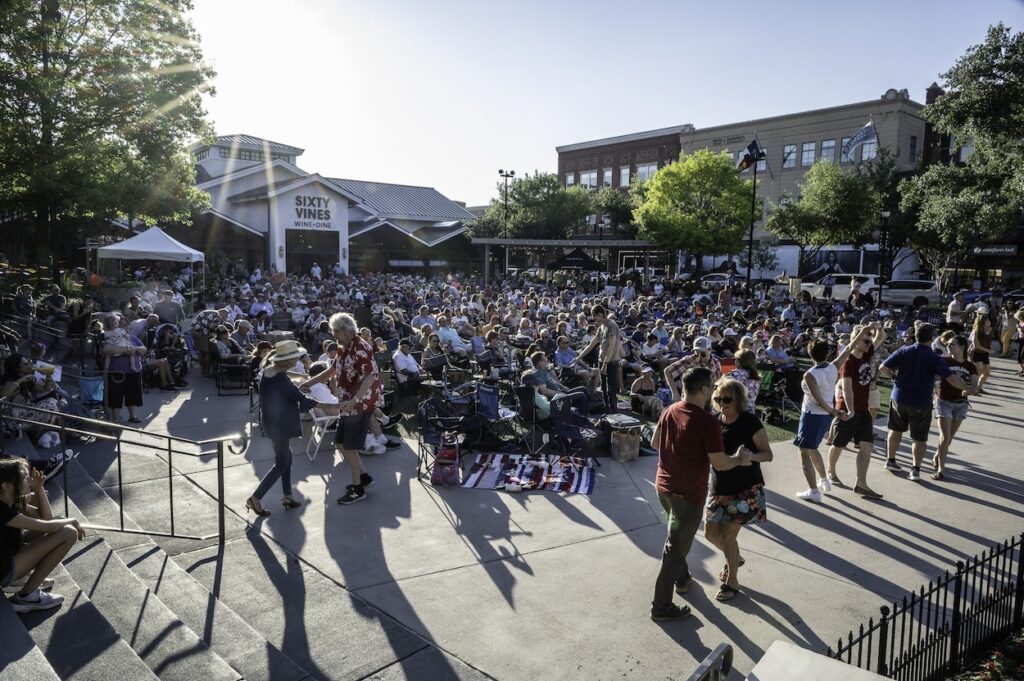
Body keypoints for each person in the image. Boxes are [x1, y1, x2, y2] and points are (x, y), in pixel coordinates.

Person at [649, 367, 751, 621]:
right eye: (712, 387)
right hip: (686, 495)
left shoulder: (669, 410)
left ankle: (683, 579)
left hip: (663, 488)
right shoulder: (707, 421)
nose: (714, 392)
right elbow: (720, 463)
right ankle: (661, 606)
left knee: (677, 539)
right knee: (674, 550)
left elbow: (654, 443)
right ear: (704, 389)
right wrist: (739, 459)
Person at [301, 313, 381, 505]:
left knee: (348, 445)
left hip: (359, 403)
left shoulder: (360, 347)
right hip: (348, 402)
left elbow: (370, 376)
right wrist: (310, 382)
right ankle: (363, 477)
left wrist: (355, 399)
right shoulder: (343, 347)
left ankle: (357, 488)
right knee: (342, 442)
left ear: (346, 330)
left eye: (336, 331)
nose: (334, 334)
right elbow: (332, 370)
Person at [704, 378, 773, 602]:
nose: (721, 404)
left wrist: (750, 457)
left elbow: (768, 454)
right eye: (717, 399)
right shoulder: (715, 421)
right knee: (710, 534)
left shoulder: (749, 422)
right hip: (718, 487)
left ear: (738, 400)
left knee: (727, 536)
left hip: (744, 490)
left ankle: (732, 581)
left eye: (726, 399)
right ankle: (734, 557)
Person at [879, 323, 967, 482]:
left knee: (895, 430)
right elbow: (951, 378)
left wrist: (894, 377)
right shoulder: (934, 357)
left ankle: (890, 460)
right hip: (920, 401)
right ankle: (915, 470)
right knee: (919, 438)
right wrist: (967, 388)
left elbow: (883, 367)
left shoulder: (904, 350)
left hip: (899, 397)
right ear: (931, 338)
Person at [246, 341, 321, 516]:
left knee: (287, 459)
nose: (297, 359)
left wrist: (303, 377)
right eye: (295, 357)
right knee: (281, 463)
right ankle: (255, 498)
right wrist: (334, 406)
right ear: (287, 360)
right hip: (280, 425)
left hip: (272, 422)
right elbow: (302, 399)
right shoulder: (280, 378)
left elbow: (286, 379)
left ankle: (288, 496)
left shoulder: (270, 370)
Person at [1, 458, 85, 613]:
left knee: (60, 523)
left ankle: (22, 579)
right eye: (24, 477)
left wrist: (39, 489)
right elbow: (49, 526)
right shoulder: (2, 511)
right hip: (4, 571)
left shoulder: (11, 500)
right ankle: (27, 596)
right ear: (6, 486)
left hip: (8, 556)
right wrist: (72, 520)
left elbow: (46, 519)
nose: (29, 480)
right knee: (68, 532)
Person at [824, 324, 885, 499]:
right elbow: (846, 388)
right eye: (865, 341)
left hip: (863, 411)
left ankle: (861, 484)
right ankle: (831, 471)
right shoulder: (848, 361)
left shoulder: (866, 353)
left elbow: (880, 337)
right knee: (838, 444)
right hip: (847, 411)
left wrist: (878, 327)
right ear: (856, 341)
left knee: (867, 446)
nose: (869, 344)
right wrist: (850, 410)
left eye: (869, 341)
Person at [793, 338, 858, 502]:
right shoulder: (832, 367)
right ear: (827, 353)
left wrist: (834, 412)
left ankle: (813, 491)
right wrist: (864, 330)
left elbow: (818, 400)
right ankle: (823, 480)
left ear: (809, 354)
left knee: (804, 452)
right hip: (824, 416)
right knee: (812, 448)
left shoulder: (810, 375)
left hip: (811, 416)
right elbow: (848, 349)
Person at [933, 335, 977, 480]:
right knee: (944, 437)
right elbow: (936, 378)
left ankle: (937, 455)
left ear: (962, 347)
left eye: (952, 344)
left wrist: (970, 390)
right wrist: (936, 387)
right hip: (943, 402)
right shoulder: (944, 361)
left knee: (949, 438)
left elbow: (975, 386)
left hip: (961, 404)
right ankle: (941, 470)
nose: (948, 346)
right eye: (947, 344)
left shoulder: (970, 366)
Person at [102, 315, 146, 424]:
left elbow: (144, 349)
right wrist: (126, 349)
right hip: (117, 372)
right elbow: (107, 349)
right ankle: (116, 417)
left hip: (133, 371)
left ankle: (132, 415)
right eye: (123, 325)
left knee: (133, 394)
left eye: (127, 325)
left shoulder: (133, 337)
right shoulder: (112, 336)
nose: (126, 327)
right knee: (115, 394)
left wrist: (135, 348)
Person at [579, 305, 623, 413]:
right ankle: (607, 408)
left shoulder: (611, 325)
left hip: (611, 361)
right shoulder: (601, 327)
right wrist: (578, 357)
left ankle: (613, 410)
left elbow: (612, 347)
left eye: (595, 316)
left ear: (601, 314)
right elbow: (591, 344)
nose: (594, 319)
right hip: (602, 360)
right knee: (603, 388)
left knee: (610, 388)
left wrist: (605, 364)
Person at [664, 336, 722, 401]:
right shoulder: (690, 360)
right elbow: (668, 371)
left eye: (703, 354)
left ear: (710, 350)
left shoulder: (716, 363)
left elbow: (719, 382)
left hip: (709, 398)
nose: (700, 357)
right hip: (691, 397)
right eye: (697, 353)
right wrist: (674, 393)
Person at [969, 312, 993, 394]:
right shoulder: (976, 330)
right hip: (976, 352)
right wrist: (988, 350)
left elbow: (987, 341)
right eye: (986, 320)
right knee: (979, 372)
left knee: (986, 373)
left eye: (988, 320)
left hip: (984, 353)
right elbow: (976, 345)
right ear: (982, 321)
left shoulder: (990, 329)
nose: (988, 321)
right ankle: (972, 388)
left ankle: (978, 388)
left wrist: (990, 348)